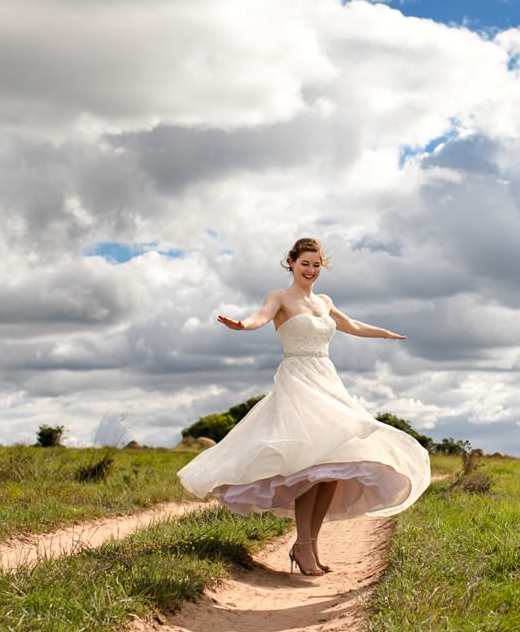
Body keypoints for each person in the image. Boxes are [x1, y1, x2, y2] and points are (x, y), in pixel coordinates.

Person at [178, 237, 430, 576]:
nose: (310, 270)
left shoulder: (324, 301)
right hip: (297, 382)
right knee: (309, 470)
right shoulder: (279, 297)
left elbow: (351, 325)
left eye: (316, 265)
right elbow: (259, 317)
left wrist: (385, 333)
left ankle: (306, 546)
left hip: (326, 381)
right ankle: (304, 546)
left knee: (332, 470)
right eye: (304, 264)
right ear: (292, 263)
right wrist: (242, 325)